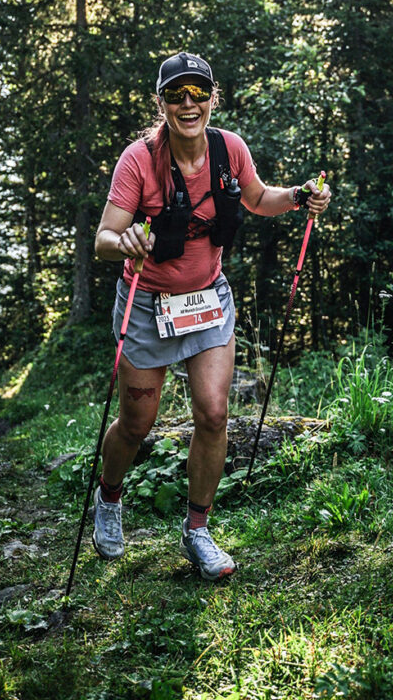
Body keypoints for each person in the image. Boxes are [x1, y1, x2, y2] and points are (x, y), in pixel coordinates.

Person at [93, 51, 330, 580]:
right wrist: (124, 240)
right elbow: (103, 238)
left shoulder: (230, 150)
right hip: (148, 307)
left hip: (207, 301)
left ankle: (197, 530)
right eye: (176, 95)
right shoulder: (138, 160)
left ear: (212, 97)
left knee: (214, 414)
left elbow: (258, 198)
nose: (188, 103)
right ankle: (109, 498)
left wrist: (299, 196)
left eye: (198, 92)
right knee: (137, 425)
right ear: (161, 103)